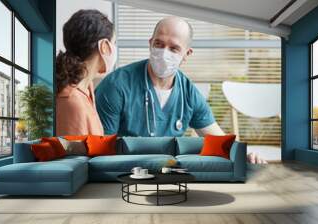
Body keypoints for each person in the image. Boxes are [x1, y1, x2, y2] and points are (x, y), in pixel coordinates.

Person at [96, 16, 266, 164]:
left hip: (168, 174)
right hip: (125, 175)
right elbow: (103, 150)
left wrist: (245, 156)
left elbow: (219, 141)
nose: (164, 53)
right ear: (150, 44)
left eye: (174, 48)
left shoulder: (188, 92)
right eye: (159, 44)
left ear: (187, 54)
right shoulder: (116, 86)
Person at [56, 9, 116, 136]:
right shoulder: (71, 101)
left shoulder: (87, 89)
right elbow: (74, 155)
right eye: (113, 43)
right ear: (104, 46)